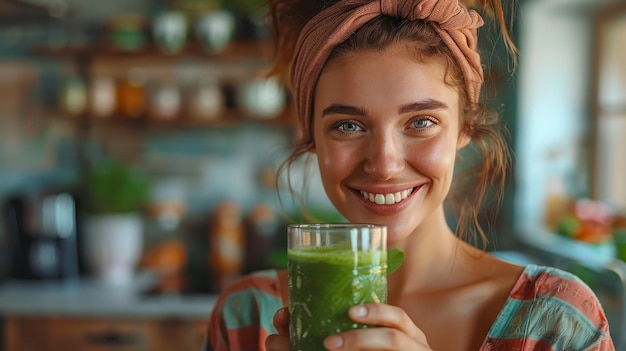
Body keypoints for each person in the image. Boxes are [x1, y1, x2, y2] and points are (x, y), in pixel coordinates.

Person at [206, 0, 616, 350]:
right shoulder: (249, 316)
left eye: (421, 122)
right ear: (313, 136)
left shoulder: (558, 322)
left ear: (465, 128)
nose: (384, 165)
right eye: (348, 125)